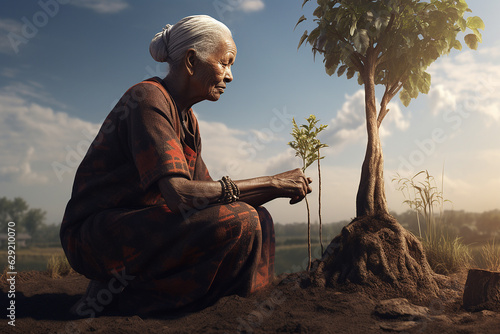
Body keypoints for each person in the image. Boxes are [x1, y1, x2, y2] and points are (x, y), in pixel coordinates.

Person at [60, 15, 312, 316]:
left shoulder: (188, 121)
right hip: (95, 236)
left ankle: (234, 304)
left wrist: (275, 191)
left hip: (148, 224)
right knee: (240, 220)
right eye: (225, 62)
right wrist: (271, 182)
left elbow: (209, 198)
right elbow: (181, 196)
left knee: (261, 219)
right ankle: (125, 300)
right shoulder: (147, 99)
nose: (230, 75)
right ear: (192, 61)